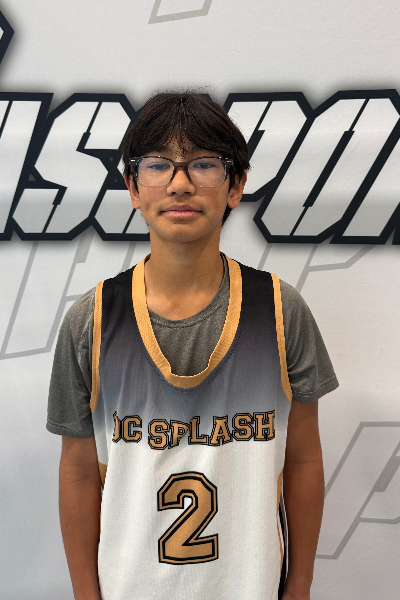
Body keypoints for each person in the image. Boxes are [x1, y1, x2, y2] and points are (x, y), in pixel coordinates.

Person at [47, 92, 339, 600]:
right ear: (132, 187)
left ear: (236, 185)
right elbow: (77, 470)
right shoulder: (91, 320)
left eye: (204, 164)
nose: (180, 183)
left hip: (250, 587)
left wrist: (299, 587)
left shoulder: (279, 310)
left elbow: (303, 459)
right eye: (158, 164)